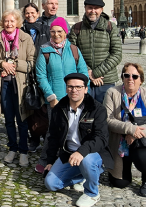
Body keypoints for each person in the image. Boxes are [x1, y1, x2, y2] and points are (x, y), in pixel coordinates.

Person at [44, 73, 114, 207]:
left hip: (92, 153)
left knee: (87, 161)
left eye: (78, 87)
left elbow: (101, 138)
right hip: (68, 153)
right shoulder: (59, 109)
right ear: (66, 88)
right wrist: (50, 160)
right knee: (50, 183)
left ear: (86, 89)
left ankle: (92, 193)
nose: (74, 90)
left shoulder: (97, 109)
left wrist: (82, 152)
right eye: (70, 87)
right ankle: (82, 176)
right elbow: (52, 136)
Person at [103, 63, 146, 198]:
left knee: (145, 159)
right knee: (119, 183)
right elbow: (107, 120)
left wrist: (137, 133)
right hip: (120, 143)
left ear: (141, 79)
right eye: (126, 75)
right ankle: (123, 169)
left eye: (135, 76)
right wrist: (130, 129)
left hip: (143, 140)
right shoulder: (112, 93)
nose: (130, 79)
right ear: (122, 77)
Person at [35, 17, 89, 174]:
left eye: (59, 31)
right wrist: (50, 97)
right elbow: (41, 76)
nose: (56, 34)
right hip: (56, 99)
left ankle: (73, 158)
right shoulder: (45, 51)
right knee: (53, 131)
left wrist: (84, 92)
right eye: (53, 31)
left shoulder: (73, 50)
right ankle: (45, 159)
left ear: (66, 32)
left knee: (74, 129)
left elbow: (83, 71)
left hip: (76, 98)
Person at [0, 9, 35, 167]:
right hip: (3, 85)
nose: (9, 24)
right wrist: (1, 64)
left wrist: (15, 65)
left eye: (12, 21)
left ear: (17, 23)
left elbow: (32, 63)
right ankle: (12, 148)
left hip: (21, 85)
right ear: (2, 23)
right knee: (9, 119)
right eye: (6, 21)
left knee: (22, 119)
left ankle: (23, 152)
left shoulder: (26, 39)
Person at [69, 0, 122, 104]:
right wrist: (88, 72)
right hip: (83, 79)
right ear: (85, 8)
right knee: (85, 114)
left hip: (106, 80)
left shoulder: (110, 27)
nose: (93, 11)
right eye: (90, 8)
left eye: (96, 8)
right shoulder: (76, 28)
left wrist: (96, 73)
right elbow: (72, 54)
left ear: (101, 10)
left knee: (104, 114)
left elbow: (117, 54)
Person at [21, 2, 49, 152]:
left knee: (44, 107)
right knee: (30, 107)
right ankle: (34, 137)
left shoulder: (45, 29)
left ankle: (45, 134)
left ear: (38, 13)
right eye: (27, 13)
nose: (30, 15)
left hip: (43, 72)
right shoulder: (21, 30)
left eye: (33, 12)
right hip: (26, 74)